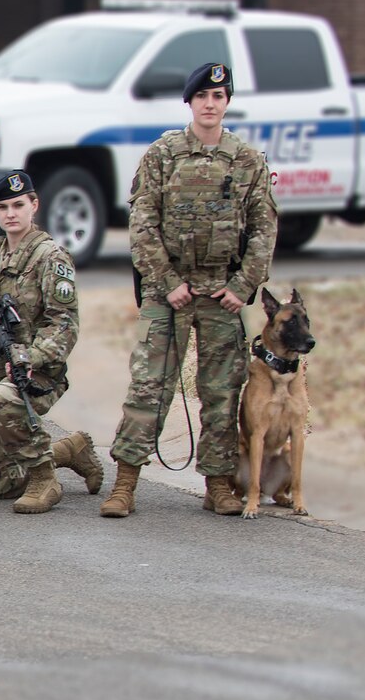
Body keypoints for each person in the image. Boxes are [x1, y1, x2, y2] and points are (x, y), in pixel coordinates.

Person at [103, 62, 278, 518]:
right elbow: (142, 225)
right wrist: (168, 283)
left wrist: (243, 286)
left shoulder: (247, 160)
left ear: (227, 103)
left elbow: (263, 229)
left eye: (218, 97)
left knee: (222, 391)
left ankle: (219, 483)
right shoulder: (163, 153)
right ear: (190, 101)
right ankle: (125, 484)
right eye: (202, 96)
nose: (210, 104)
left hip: (223, 291)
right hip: (169, 292)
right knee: (149, 387)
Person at [0, 170, 102, 514]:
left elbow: (64, 325)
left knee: (2, 399)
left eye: (18, 205)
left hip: (37, 372)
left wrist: (28, 356)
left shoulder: (51, 258)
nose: (11, 213)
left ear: (34, 205)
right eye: (3, 207)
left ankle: (43, 477)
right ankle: (70, 450)